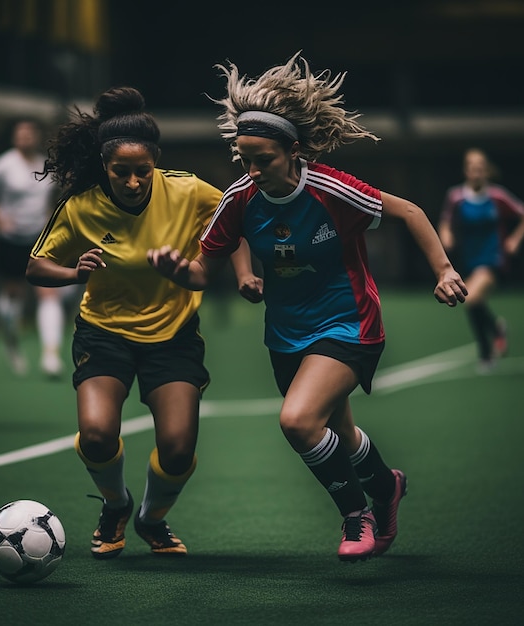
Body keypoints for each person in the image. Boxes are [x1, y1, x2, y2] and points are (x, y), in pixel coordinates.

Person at [147, 53, 468, 562]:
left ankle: (354, 514)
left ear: (293, 150)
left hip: (348, 323)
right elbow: (200, 272)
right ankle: (386, 489)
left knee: (297, 421)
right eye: (244, 160)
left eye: (263, 160)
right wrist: (175, 270)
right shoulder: (240, 198)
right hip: (286, 334)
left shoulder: (330, 189)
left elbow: (409, 211)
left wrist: (445, 270)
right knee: (338, 431)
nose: (252, 171)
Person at [26, 86, 252, 557]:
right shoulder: (82, 207)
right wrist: (75, 271)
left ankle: (151, 519)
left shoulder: (188, 191)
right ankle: (116, 505)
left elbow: (233, 224)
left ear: (156, 163)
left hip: (172, 336)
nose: (132, 182)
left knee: (176, 448)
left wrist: (246, 274)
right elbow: (35, 266)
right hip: (104, 332)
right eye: (121, 172)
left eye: (142, 172)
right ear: (105, 167)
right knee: (96, 433)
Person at [0, 118, 75, 377]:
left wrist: (49, 221)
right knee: (13, 296)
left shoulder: (46, 164)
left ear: (36, 136)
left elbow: (51, 197)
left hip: (39, 239)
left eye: (29, 133)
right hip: (10, 239)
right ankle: (11, 343)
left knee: (48, 293)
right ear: (14, 137)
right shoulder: (2, 165)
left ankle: (51, 356)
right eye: (20, 133)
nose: (25, 137)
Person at [439, 148, 524, 373]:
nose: (476, 172)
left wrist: (515, 239)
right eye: (472, 168)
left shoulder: (497, 196)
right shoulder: (456, 197)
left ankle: (486, 353)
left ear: (485, 171)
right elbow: (445, 222)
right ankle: (496, 330)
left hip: (494, 259)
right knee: (472, 300)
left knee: (473, 297)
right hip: (470, 261)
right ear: (466, 170)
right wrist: (446, 236)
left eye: (480, 168)